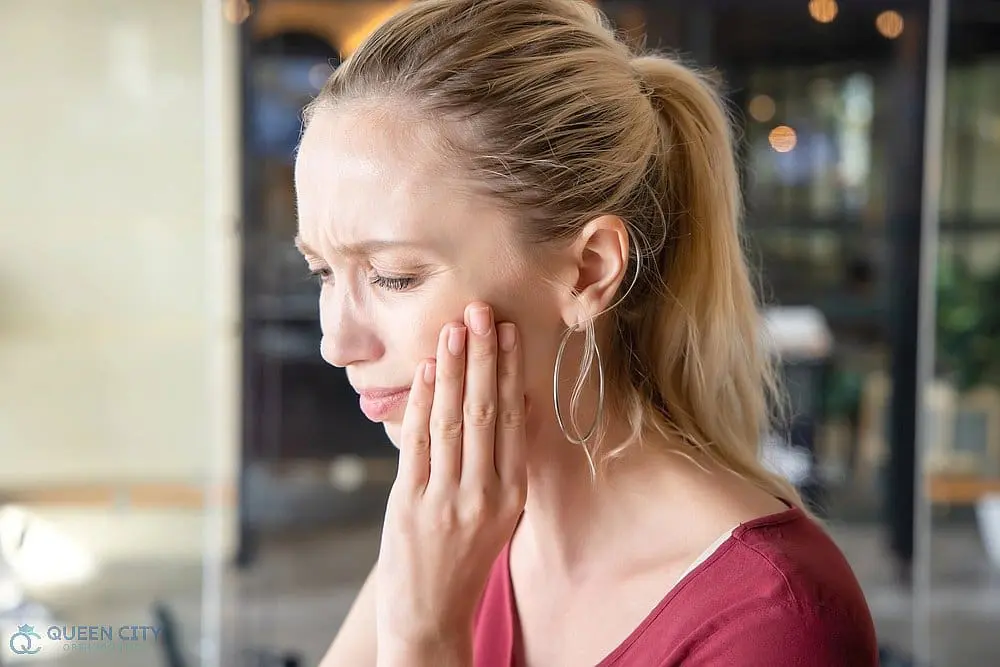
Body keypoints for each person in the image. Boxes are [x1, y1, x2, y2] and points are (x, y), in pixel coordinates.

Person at [294, 0, 879, 664]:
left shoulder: (774, 620)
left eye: (393, 276)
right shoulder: (453, 532)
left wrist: (427, 636)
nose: (336, 342)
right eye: (321, 271)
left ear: (589, 270)